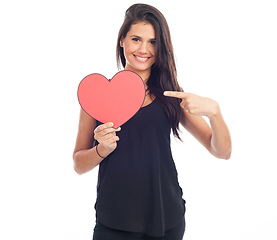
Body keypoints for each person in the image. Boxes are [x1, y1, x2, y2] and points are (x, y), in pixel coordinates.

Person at [73, 3, 232, 240]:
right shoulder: (97, 97)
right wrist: (101, 150)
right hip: (114, 222)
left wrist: (215, 113)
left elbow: (221, 152)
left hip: (167, 220)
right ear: (122, 40)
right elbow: (78, 164)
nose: (144, 49)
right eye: (136, 39)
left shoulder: (171, 95)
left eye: (153, 42)